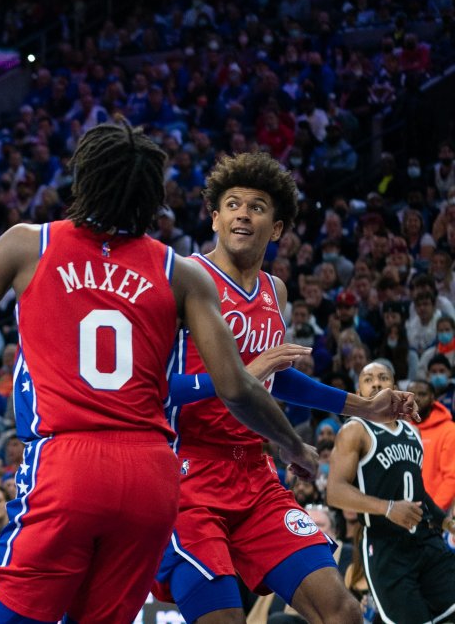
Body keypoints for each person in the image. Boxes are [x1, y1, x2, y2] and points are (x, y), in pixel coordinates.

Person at [0, 120, 317, 624]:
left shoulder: (29, 243)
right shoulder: (181, 272)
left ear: (82, 180)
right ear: (152, 197)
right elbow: (237, 386)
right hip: (151, 474)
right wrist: (292, 445)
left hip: (67, 461)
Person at [154, 153, 419, 624]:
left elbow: (278, 376)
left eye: (256, 207)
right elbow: (151, 386)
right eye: (232, 204)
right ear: (214, 218)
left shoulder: (274, 291)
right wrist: (240, 376)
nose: (242, 214)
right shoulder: (182, 278)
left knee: (342, 612)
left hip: (254, 475)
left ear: (276, 228)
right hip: (187, 475)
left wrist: (366, 407)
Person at [328, 361, 455, 624]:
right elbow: (335, 492)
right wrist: (387, 508)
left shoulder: (413, 432)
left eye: (383, 378)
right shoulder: (355, 430)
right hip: (386, 548)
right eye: (368, 379)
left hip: (425, 540)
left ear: (395, 387)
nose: (376, 383)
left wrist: (445, 521)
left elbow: (418, 492)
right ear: (359, 392)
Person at [408, 380, 455, 511]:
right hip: (402, 511)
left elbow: (452, 477)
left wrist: (433, 512)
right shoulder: (398, 428)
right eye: (411, 395)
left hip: (435, 513)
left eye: (422, 394)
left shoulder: (449, 430)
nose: (416, 399)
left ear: (433, 398)